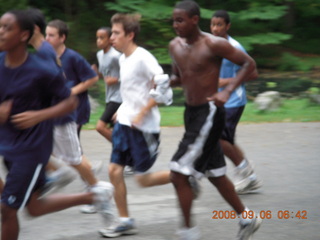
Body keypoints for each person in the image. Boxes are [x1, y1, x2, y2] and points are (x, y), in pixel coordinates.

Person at [0, 9, 114, 240]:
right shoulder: (4, 62)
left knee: (8, 210)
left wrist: (39, 115)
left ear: (26, 34)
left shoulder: (42, 62)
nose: (0, 32)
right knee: (34, 208)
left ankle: (70, 178)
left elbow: (69, 98)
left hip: (34, 145)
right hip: (11, 141)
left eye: (6, 28)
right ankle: (94, 195)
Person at [169, 1, 262, 240]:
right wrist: (162, 83)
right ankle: (247, 217)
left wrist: (227, 91)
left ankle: (188, 232)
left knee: (177, 174)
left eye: (180, 20)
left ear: (194, 20)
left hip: (209, 111)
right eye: (173, 20)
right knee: (216, 175)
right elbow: (178, 76)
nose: (175, 25)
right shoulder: (174, 46)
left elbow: (249, 65)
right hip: (190, 114)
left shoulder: (213, 44)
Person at [98, 13, 173, 238]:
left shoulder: (143, 57)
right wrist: (122, 110)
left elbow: (164, 86)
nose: (112, 37)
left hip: (143, 129)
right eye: (111, 33)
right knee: (114, 170)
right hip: (124, 124)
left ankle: (182, 176)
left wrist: (142, 112)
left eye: (116, 33)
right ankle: (125, 220)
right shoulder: (122, 59)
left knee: (142, 179)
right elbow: (130, 90)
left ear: (130, 35)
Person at [44, 19, 108, 196]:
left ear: (62, 37)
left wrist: (72, 91)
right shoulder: (46, 57)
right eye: (46, 34)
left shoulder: (72, 57)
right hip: (57, 111)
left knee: (73, 152)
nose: (46, 38)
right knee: (65, 150)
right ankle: (88, 170)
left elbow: (92, 78)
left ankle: (94, 187)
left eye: (51, 35)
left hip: (75, 110)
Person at [211, 10, 262, 194]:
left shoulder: (235, 47)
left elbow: (253, 72)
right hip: (218, 101)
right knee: (224, 139)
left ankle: (244, 169)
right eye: (213, 24)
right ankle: (249, 176)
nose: (215, 28)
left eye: (219, 25)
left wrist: (225, 82)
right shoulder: (211, 44)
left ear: (228, 26)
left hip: (234, 100)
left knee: (220, 139)